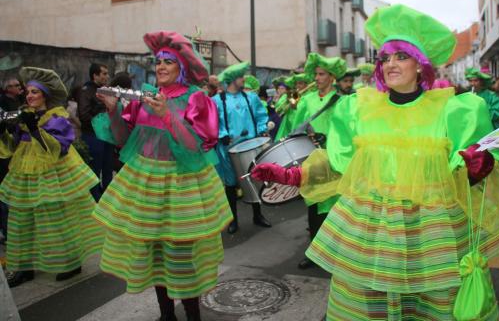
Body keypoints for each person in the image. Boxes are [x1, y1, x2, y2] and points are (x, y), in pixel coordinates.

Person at [252, 4, 499, 319]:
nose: (390, 64)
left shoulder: (453, 110)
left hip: (429, 235)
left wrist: (476, 168)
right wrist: (290, 175)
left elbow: (467, 172)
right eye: (385, 58)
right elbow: (339, 164)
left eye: (401, 56)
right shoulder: (358, 109)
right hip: (373, 234)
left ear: (420, 65)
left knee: (431, 305)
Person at [93, 31, 231, 321]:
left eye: (168, 61)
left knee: (181, 258)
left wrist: (168, 115)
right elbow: (123, 141)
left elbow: (197, 146)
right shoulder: (144, 97)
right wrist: (114, 111)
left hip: (182, 186)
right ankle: (167, 315)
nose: (160, 67)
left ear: (181, 66)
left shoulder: (196, 99)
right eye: (157, 62)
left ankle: (193, 316)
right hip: (146, 186)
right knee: (155, 256)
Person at [0, 67, 102, 287]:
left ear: (45, 95)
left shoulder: (56, 118)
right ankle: (24, 267)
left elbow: (59, 148)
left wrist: (35, 128)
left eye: (34, 92)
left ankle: (71, 261)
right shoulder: (22, 115)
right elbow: (10, 147)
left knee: (58, 219)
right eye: (27, 92)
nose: (29, 96)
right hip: (25, 172)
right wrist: (4, 130)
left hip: (54, 175)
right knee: (21, 219)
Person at [284, 52, 347, 269]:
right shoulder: (307, 100)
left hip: (335, 160)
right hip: (313, 160)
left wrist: (330, 139)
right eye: (316, 74)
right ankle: (313, 251)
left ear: (332, 77)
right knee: (313, 206)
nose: (317, 78)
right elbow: (296, 129)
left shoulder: (343, 101)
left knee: (335, 208)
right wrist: (307, 135)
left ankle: (335, 253)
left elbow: (347, 130)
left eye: (322, 74)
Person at [212, 62, 271, 235]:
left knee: (254, 180)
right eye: (240, 76)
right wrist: (221, 134)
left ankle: (257, 215)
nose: (243, 79)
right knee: (230, 185)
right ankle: (233, 220)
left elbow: (261, 116)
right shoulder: (216, 101)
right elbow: (213, 122)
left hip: (251, 147)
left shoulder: (251, 98)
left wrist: (261, 130)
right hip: (228, 149)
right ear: (232, 79)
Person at [78, 63, 113, 201]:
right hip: (93, 136)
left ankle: (108, 198)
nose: (107, 76)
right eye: (104, 73)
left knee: (108, 169)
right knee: (94, 170)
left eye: (107, 73)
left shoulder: (105, 90)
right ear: (95, 75)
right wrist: (100, 123)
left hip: (107, 136)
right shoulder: (86, 91)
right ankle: (94, 199)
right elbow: (84, 115)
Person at [0, 77, 24, 243]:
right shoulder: (3, 102)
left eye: (18, 85)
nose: (17, 88)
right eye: (13, 86)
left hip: (13, 150)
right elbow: (4, 120)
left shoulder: (21, 100)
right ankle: (8, 233)